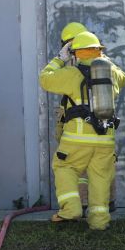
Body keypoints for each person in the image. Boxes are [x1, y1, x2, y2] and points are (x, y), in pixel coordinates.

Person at [39, 31, 125, 230]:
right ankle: (99, 221)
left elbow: (45, 79)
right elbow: (123, 78)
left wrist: (60, 58)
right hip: (105, 139)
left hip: (77, 139)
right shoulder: (111, 73)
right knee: (100, 178)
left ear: (76, 53)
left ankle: (71, 209)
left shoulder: (72, 74)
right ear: (98, 51)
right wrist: (105, 59)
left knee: (64, 167)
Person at [54, 22, 94, 212]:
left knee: (70, 166)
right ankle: (96, 206)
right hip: (84, 124)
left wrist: (58, 60)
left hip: (80, 127)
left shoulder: (77, 67)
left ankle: (78, 207)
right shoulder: (98, 63)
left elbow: (46, 78)